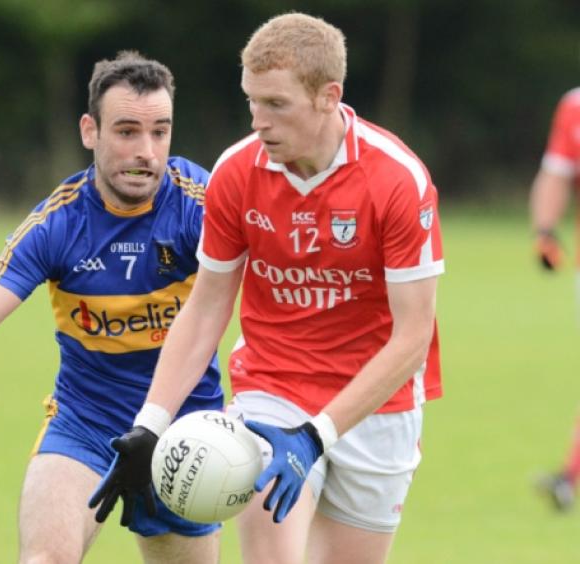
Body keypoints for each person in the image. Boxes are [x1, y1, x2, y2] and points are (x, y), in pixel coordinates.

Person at [91, 13, 444, 564]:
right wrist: (149, 424)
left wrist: (316, 436)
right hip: (272, 393)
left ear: (330, 97)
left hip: (378, 404)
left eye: (276, 104)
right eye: (251, 101)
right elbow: (206, 307)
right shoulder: (237, 172)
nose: (258, 121)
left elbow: (413, 335)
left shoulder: (397, 179)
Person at [0, 51, 223, 564]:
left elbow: (275, 295)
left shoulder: (203, 203)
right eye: (127, 131)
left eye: (160, 132)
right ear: (90, 131)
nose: (146, 152)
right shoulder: (58, 224)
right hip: (86, 424)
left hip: (184, 431)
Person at [530, 87, 580, 511]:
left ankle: (568, 477)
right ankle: (569, 477)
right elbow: (556, 172)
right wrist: (545, 231)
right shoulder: (574, 106)